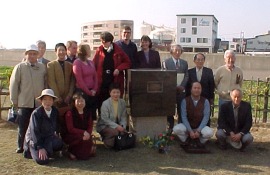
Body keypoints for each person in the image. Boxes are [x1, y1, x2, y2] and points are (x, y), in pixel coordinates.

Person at [9, 44, 47, 153]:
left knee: (37, 126)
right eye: (30, 54)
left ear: (37, 55)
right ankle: (20, 146)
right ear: (26, 55)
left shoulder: (42, 67)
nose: (32, 56)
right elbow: (14, 84)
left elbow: (45, 83)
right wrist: (14, 100)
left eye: (34, 54)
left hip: (38, 103)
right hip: (24, 102)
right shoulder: (20, 67)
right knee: (23, 126)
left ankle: (35, 145)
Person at [93, 31, 131, 114]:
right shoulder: (99, 50)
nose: (103, 43)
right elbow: (94, 64)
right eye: (101, 41)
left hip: (114, 81)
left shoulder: (118, 50)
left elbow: (127, 62)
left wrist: (118, 69)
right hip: (102, 82)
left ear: (110, 41)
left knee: (113, 105)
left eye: (105, 41)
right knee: (101, 103)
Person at [23, 89, 63, 165]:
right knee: (43, 161)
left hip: (48, 138)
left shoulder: (55, 111)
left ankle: (47, 151)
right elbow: (34, 132)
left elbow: (58, 125)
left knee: (59, 144)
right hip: (34, 141)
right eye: (45, 99)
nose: (47, 102)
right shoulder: (36, 114)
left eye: (50, 99)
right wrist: (40, 147)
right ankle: (30, 151)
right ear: (41, 101)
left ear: (53, 101)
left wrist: (58, 133)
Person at [62, 91, 95, 160]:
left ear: (85, 102)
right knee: (83, 153)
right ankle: (69, 151)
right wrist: (83, 132)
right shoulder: (69, 113)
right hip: (72, 136)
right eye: (78, 101)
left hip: (85, 136)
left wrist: (88, 134)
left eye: (82, 101)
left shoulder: (88, 112)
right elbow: (70, 129)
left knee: (87, 142)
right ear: (74, 102)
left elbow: (90, 126)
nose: (80, 103)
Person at [164, 44, 188, 131]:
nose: (177, 52)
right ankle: (170, 128)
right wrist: (174, 86)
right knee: (170, 110)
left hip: (181, 91)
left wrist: (182, 86)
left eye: (179, 51)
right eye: (176, 50)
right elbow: (165, 76)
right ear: (172, 51)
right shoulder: (166, 62)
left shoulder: (184, 63)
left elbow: (186, 76)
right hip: (170, 90)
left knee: (181, 109)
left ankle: (180, 128)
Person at [186, 53, 215, 126]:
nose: (200, 61)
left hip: (205, 98)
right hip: (192, 98)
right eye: (198, 59)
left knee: (205, 115)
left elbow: (211, 85)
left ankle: (205, 131)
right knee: (192, 115)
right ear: (194, 61)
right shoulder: (190, 72)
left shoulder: (209, 71)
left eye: (202, 59)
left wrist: (211, 98)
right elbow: (187, 86)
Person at [96, 83, 127, 148]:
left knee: (122, 132)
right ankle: (105, 139)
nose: (116, 94)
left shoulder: (123, 102)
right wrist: (117, 127)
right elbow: (105, 119)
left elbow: (123, 117)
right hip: (104, 125)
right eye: (114, 92)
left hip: (117, 125)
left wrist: (122, 126)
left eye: (117, 92)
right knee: (116, 132)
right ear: (110, 93)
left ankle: (112, 141)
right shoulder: (105, 103)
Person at [47, 43, 75, 111]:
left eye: (63, 50)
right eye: (59, 50)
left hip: (67, 99)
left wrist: (69, 95)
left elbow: (72, 81)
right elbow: (51, 82)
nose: (61, 52)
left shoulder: (70, 65)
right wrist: (57, 97)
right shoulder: (51, 65)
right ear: (56, 52)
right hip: (56, 99)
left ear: (66, 51)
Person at [73, 44, 98, 120]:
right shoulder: (77, 63)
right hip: (82, 92)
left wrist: (94, 89)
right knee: (84, 114)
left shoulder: (91, 62)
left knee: (92, 113)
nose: (90, 50)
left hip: (92, 91)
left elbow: (95, 77)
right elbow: (79, 80)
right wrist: (89, 92)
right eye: (88, 49)